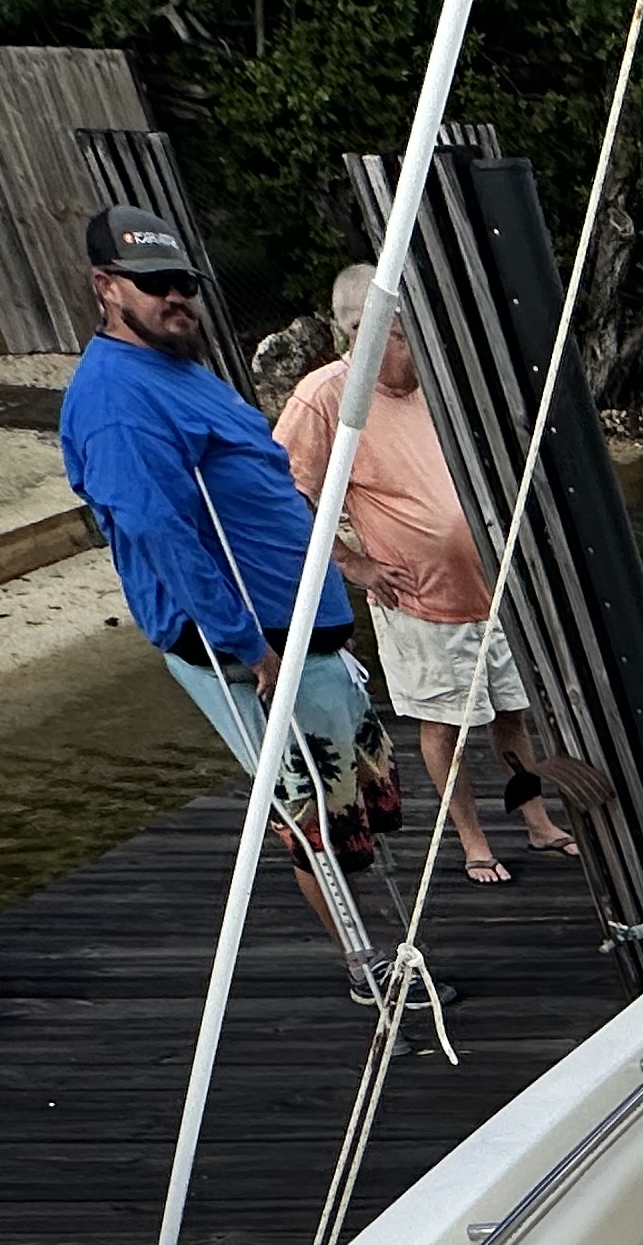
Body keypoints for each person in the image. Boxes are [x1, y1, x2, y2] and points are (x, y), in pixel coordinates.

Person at [56, 205, 407, 991]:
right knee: (311, 811)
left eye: (183, 283)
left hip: (307, 632)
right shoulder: (115, 400)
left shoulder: (179, 368)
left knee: (352, 799)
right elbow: (161, 533)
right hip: (254, 649)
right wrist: (252, 650)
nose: (175, 297)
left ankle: (389, 939)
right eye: (154, 284)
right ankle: (370, 971)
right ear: (105, 286)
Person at [278, 263, 581, 888]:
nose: (419, 346)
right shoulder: (326, 397)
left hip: (490, 590)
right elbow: (285, 497)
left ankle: (536, 820)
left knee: (511, 711)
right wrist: (354, 563)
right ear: (367, 333)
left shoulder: (433, 385)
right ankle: (472, 840)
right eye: (405, 334)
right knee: (445, 726)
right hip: (418, 599)